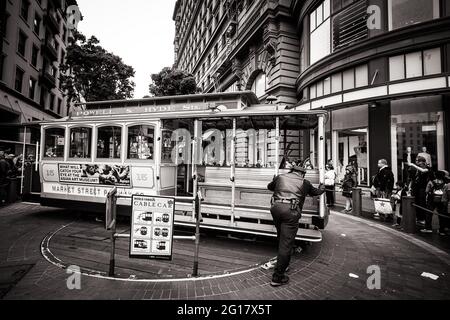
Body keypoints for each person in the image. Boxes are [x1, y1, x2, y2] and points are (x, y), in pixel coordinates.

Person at [267, 164, 325, 286]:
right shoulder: (305, 182)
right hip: (291, 211)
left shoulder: (280, 177)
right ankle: (277, 277)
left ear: (291, 171)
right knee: (286, 244)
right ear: (302, 174)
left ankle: (283, 264)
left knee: (282, 237)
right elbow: (316, 192)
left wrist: (274, 180)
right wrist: (322, 187)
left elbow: (270, 187)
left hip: (276, 208)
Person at [407, 156, 432, 226]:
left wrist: (413, 165)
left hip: (423, 188)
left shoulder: (427, 168)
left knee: (422, 203)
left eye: (418, 161)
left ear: (423, 162)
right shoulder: (416, 169)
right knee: (415, 202)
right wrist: (409, 187)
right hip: (416, 187)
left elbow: (423, 171)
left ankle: (423, 218)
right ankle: (418, 217)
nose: (417, 162)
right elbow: (412, 179)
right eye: (416, 160)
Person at [425, 170, 448, 235]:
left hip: (432, 199)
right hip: (441, 200)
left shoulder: (431, 182)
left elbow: (427, 191)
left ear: (435, 175)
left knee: (429, 213)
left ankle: (428, 228)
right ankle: (441, 230)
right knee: (441, 214)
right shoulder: (445, 183)